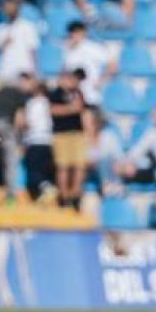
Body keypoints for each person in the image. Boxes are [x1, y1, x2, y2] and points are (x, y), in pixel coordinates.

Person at [48, 69, 87, 209]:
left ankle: (75, 197)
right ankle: (63, 198)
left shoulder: (78, 93)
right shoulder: (54, 93)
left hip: (77, 134)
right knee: (63, 166)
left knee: (79, 166)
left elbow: (80, 108)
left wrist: (68, 108)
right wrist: (71, 108)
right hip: (61, 134)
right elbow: (53, 110)